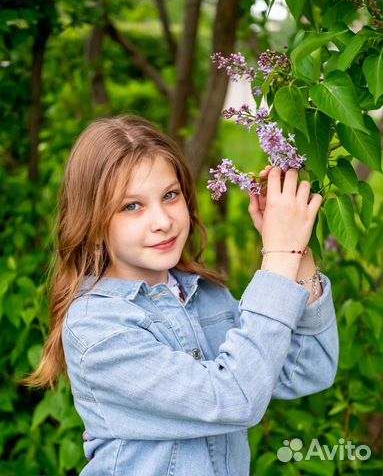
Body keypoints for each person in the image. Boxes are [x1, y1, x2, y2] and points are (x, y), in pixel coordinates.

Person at [23, 115, 339, 476]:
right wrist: (279, 257)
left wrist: (299, 258)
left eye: (170, 196)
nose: (162, 220)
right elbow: (234, 399)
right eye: (132, 206)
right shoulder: (97, 328)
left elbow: (306, 371)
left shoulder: (205, 294)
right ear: (92, 225)